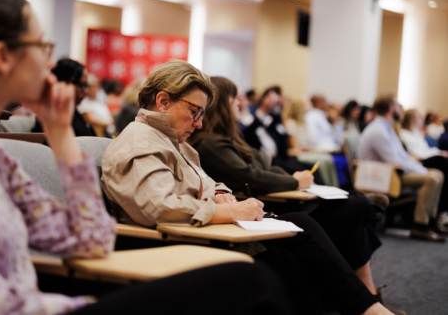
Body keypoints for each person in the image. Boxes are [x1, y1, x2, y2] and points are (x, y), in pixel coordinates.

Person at [0, 0, 293, 315]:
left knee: (252, 278)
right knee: (249, 283)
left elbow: (94, 241)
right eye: (41, 47)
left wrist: (62, 135)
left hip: (48, 304)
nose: (50, 63)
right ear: (2, 57)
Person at [101, 60, 394, 315]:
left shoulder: (170, 140)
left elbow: (205, 180)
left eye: (202, 114)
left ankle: (365, 307)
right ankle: (367, 307)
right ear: (163, 101)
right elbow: (158, 207)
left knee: (301, 246)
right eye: (195, 111)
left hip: (204, 232)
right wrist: (228, 211)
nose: (199, 124)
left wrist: (219, 192)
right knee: (300, 246)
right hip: (177, 241)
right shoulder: (140, 142)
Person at [188, 76, 405, 315]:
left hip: (265, 208)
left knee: (354, 215)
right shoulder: (211, 144)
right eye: (233, 100)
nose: (240, 105)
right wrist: (294, 180)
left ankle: (368, 295)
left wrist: (295, 178)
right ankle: (368, 295)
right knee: (354, 211)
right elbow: (252, 176)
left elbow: (266, 169)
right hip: (263, 210)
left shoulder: (230, 139)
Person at [358, 96, 445, 242]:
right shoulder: (379, 130)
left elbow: (403, 156)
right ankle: (420, 226)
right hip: (381, 175)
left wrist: (422, 169)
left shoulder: (386, 127)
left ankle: (431, 221)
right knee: (430, 179)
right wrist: (424, 172)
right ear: (391, 108)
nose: (401, 110)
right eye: (399, 107)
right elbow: (396, 160)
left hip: (390, 171)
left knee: (438, 174)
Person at [400, 109, 448, 233]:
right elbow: (416, 154)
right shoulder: (403, 133)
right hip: (417, 161)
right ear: (412, 119)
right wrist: (438, 154)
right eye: (419, 118)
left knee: (441, 171)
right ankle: (423, 223)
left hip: (423, 158)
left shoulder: (416, 133)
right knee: (442, 164)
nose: (422, 120)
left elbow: (426, 149)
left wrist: (439, 152)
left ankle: (434, 217)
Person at [32, 58, 97, 138]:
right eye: (82, 85)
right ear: (64, 83)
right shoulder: (52, 117)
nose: (86, 91)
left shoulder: (73, 112)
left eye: (87, 86)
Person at [283, 97, 339, 186]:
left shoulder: (303, 122)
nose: (310, 107)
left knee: (328, 159)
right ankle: (325, 185)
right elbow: (296, 147)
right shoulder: (291, 123)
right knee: (323, 161)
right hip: (300, 153)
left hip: (306, 151)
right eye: (307, 105)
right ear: (300, 107)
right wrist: (309, 150)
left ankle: (334, 185)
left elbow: (308, 143)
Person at [77, 73, 115, 137]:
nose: (94, 89)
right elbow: (90, 119)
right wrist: (107, 124)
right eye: (91, 86)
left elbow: (110, 116)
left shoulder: (100, 101)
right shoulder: (83, 102)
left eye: (96, 86)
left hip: (109, 131)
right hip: (98, 134)